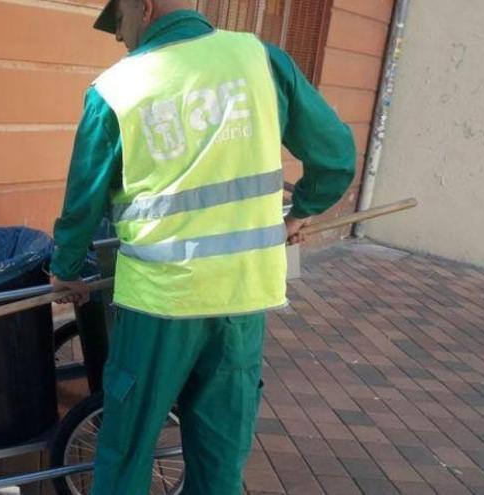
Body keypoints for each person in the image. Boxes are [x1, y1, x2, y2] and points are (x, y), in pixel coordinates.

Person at [49, 0, 355, 493]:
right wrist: (301, 212)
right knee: (218, 457)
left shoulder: (115, 90)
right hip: (240, 300)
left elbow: (83, 201)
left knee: (127, 448)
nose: (119, 38)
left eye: (120, 23)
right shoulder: (260, 59)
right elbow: (336, 156)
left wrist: (65, 270)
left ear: (143, 8)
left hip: (159, 306)